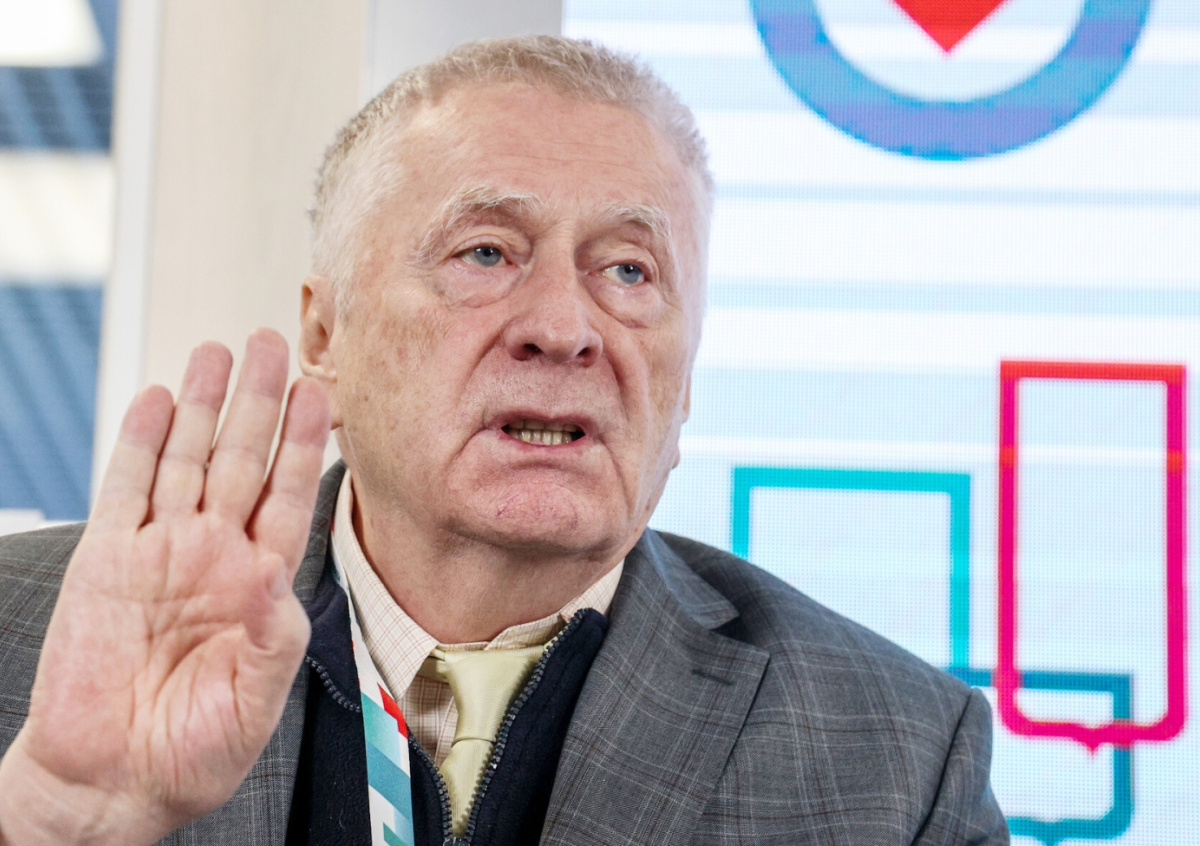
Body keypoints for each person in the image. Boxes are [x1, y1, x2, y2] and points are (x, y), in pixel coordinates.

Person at [0, 36, 1007, 846]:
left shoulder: (896, 760)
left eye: (628, 271)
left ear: (688, 373)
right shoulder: (23, 640)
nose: (563, 328)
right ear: (327, 334)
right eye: (486, 252)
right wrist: (54, 824)